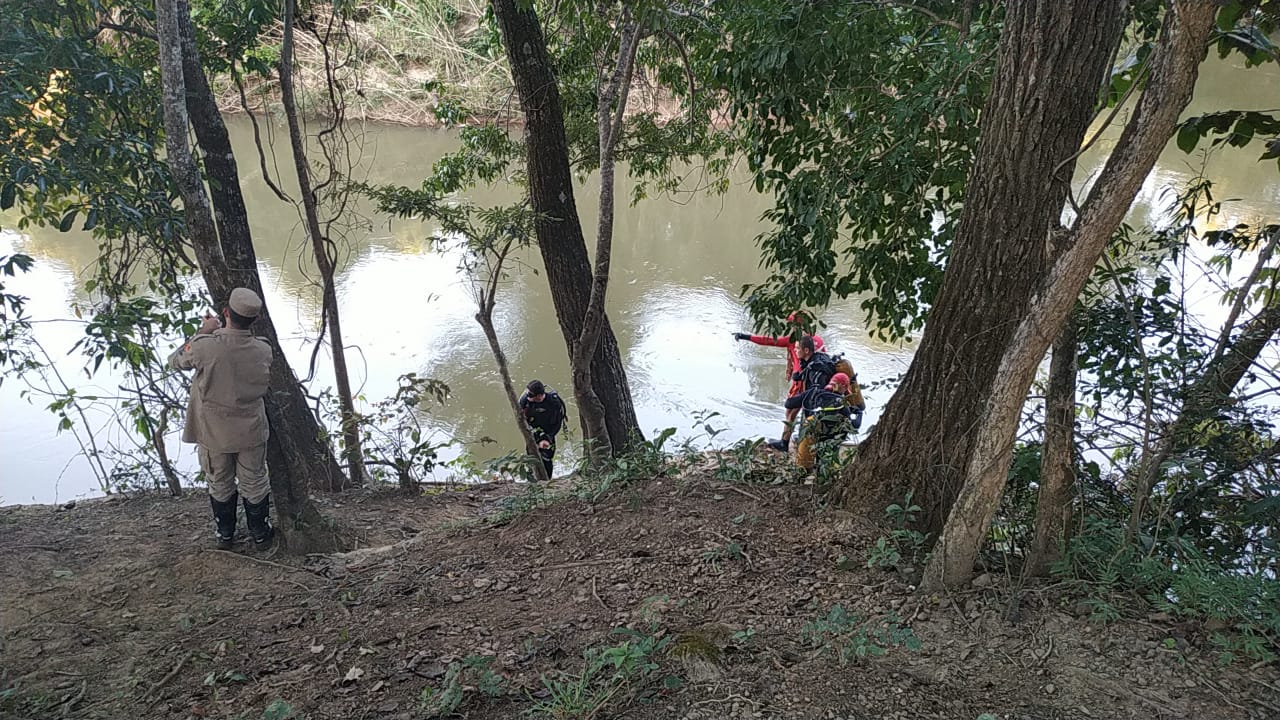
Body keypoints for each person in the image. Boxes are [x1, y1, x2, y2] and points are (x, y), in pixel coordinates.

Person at [169, 288, 274, 550]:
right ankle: (260, 534)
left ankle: (225, 534)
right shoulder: (263, 349)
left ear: (226, 313)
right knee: (255, 481)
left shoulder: (206, 347)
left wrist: (204, 331)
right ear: (257, 319)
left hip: (214, 432)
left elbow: (175, 360)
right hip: (250, 429)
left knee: (219, 481)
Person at [733, 312, 824, 452]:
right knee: (807, 412)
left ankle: (786, 443)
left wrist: (746, 336)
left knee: (791, 412)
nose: (790, 327)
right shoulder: (817, 340)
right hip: (815, 383)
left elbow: (767, 340)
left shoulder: (794, 340)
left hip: (801, 382)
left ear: (797, 325)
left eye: (792, 324)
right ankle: (803, 441)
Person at [785, 372, 858, 473]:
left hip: (810, 435)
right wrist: (858, 414)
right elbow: (854, 426)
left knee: (803, 469)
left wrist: (803, 396)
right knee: (826, 469)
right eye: (845, 389)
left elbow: (788, 403)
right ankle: (822, 475)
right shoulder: (842, 404)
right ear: (842, 387)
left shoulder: (813, 393)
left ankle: (803, 474)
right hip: (829, 443)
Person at [518, 379, 567, 479]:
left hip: (549, 433)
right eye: (528, 394)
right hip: (532, 434)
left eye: (531, 395)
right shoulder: (525, 402)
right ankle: (533, 482)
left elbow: (558, 423)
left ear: (539, 395)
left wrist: (548, 438)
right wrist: (534, 438)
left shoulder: (554, 402)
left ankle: (547, 481)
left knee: (547, 459)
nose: (528, 397)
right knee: (532, 459)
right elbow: (523, 423)